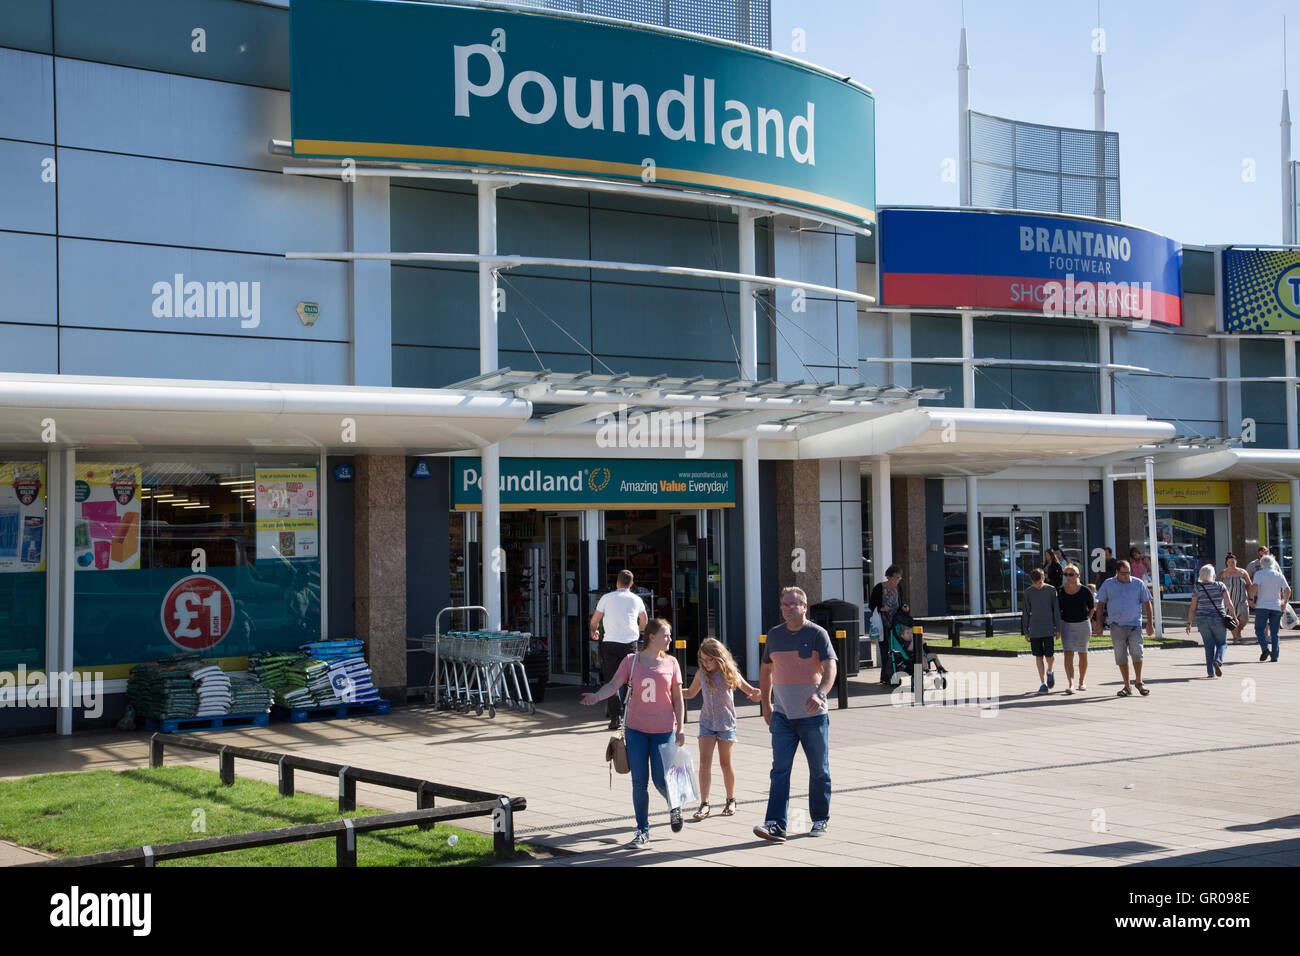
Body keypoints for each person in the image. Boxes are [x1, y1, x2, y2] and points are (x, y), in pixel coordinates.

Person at [580, 618, 685, 847]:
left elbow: (678, 699)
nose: (669, 639)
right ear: (651, 637)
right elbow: (614, 685)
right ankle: (642, 831)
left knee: (660, 779)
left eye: (669, 635)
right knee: (639, 782)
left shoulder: (672, 663)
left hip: (663, 731)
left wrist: (681, 728)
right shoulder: (632, 661)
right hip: (636, 730)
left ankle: (674, 805)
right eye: (665, 635)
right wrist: (597, 696)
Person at [755, 586, 837, 844]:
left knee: (819, 770)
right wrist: (766, 705)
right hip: (782, 716)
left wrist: (820, 694)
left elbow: (830, 667)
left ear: (804, 606)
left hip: (813, 717)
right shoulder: (775, 635)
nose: (789, 608)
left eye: (794, 604)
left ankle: (820, 818)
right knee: (779, 770)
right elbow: (766, 670)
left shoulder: (817, 634)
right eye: (785, 604)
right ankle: (775, 825)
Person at [681, 638, 760, 819]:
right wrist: (671, 690)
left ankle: (731, 799)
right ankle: (704, 803)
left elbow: (750, 691)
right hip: (707, 722)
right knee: (704, 763)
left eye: (709, 659)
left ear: (719, 657)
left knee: (725, 763)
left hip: (726, 723)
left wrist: (759, 695)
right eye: (702, 660)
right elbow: (690, 693)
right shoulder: (702, 674)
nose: (706, 663)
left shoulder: (729, 672)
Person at [589, 569, 647, 730]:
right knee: (631, 680)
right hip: (630, 643)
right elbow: (644, 620)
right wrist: (637, 629)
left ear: (617, 583)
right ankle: (630, 714)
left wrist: (594, 631)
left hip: (610, 643)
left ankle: (616, 717)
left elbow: (594, 620)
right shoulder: (636, 599)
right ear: (632, 584)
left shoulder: (606, 598)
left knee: (611, 681)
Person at [1095, 560, 1154, 696]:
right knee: (1121, 656)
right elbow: (1100, 605)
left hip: (1134, 625)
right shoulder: (1108, 584)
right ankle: (1127, 686)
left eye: (1128, 573)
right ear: (1117, 572)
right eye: (1123, 573)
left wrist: (1150, 624)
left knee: (1137, 653)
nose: (1127, 576)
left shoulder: (1138, 583)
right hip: (1116, 626)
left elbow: (1147, 603)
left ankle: (1139, 681)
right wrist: (1098, 624)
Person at [1187, 564, 1234, 678]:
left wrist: (1189, 623)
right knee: (1222, 643)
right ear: (1213, 575)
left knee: (1208, 645)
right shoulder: (1220, 586)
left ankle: (1211, 672)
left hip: (1202, 620)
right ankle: (1217, 661)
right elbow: (1229, 603)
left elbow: (1193, 608)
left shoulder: (1197, 588)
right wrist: (1234, 616)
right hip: (1218, 619)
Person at [1021, 567, 1061, 694]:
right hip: (1035, 629)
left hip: (1048, 628)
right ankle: (1043, 683)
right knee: (1038, 656)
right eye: (1035, 583)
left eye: (1039, 583)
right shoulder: (1028, 592)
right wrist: (1026, 630)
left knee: (1050, 655)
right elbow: (1026, 612)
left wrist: (1058, 628)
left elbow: (1056, 610)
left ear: (1043, 578)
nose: (1038, 586)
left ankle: (1050, 670)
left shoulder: (1051, 590)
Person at [1058, 563, 1094, 694]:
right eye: (1066, 574)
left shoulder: (1085, 590)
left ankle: (1082, 681)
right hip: (1066, 624)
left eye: (1071, 574)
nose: (1068, 577)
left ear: (1078, 575)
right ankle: (1071, 683)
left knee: (1082, 653)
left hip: (1083, 624)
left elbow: (1091, 608)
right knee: (1068, 653)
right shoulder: (1061, 590)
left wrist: (1087, 621)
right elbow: (1058, 608)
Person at [1248, 554, 1291, 663]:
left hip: (1262, 605)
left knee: (1259, 629)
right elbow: (1288, 590)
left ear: (1262, 564)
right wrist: (1284, 602)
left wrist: (1251, 599)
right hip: (1276, 605)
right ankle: (1275, 656)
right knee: (1275, 632)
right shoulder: (1278, 575)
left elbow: (1254, 587)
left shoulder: (1259, 574)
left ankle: (1265, 648)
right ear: (1273, 563)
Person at [1219, 553, 1252, 645]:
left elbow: (1249, 584)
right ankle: (1235, 636)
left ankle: (1238, 630)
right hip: (1228, 600)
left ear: (1236, 562)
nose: (1231, 564)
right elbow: (1218, 586)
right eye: (1229, 562)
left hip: (1242, 599)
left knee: (1244, 618)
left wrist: (1251, 597)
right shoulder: (1223, 573)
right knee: (1230, 619)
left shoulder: (1242, 572)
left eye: (1233, 562)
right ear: (1226, 563)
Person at [868, 565, 907, 638]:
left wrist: (904, 607)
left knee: (896, 643)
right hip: (883, 622)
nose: (898, 580)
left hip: (896, 621)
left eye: (899, 578)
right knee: (885, 644)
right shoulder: (879, 588)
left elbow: (901, 603)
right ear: (889, 577)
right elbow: (871, 605)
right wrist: (882, 608)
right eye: (896, 578)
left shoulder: (898, 587)